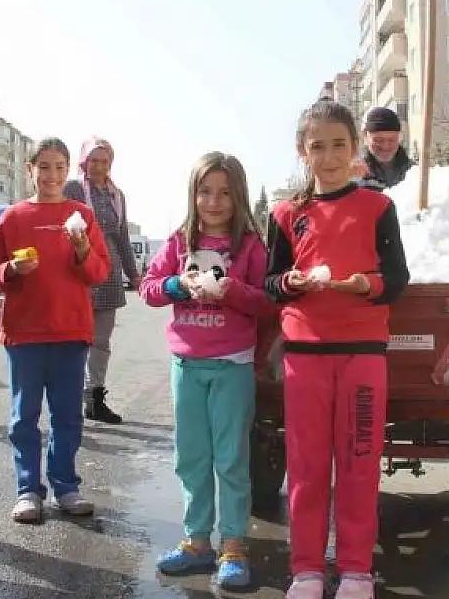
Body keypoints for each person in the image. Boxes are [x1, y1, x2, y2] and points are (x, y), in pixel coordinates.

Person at [266, 99, 409, 599]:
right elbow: (271, 283)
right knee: (306, 466)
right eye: (317, 146)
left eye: (338, 145)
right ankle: (306, 568)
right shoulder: (286, 213)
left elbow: (396, 280)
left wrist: (362, 286)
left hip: (363, 352)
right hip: (305, 353)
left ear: (355, 150)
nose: (328, 156)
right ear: (302, 152)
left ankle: (355, 570)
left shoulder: (378, 207)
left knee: (358, 462)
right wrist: (291, 281)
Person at [140, 151, 274, 589]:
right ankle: (197, 541)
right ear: (193, 194)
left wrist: (231, 290)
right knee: (191, 456)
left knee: (231, 458)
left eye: (223, 193)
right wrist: (179, 284)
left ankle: (233, 544)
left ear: (238, 196)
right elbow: (148, 288)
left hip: (233, 365)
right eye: (204, 191)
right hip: (187, 365)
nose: (213, 202)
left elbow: (267, 302)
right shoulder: (180, 241)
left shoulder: (251, 247)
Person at [0, 137, 110, 523]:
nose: (51, 175)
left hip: (71, 332)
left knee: (68, 415)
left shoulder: (81, 216)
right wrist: (11, 271)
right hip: (24, 334)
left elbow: (100, 273)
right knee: (24, 416)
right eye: (44, 167)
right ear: (30, 170)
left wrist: (83, 250)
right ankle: (27, 490)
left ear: (68, 171)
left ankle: (66, 487)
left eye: (59, 167)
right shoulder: (14, 217)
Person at [62, 138, 140, 424]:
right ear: (84, 161)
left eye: (104, 161)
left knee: (101, 341)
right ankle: (69, 398)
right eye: (93, 160)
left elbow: (122, 239)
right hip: (78, 271)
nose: (98, 166)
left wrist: (134, 275)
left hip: (108, 274)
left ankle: (94, 399)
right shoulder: (72, 189)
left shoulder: (116, 195)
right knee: (73, 339)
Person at [352, 106, 412, 191]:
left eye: (392, 140)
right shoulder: (355, 176)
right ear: (365, 137)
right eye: (378, 140)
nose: (385, 146)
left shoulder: (413, 173)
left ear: (399, 138)